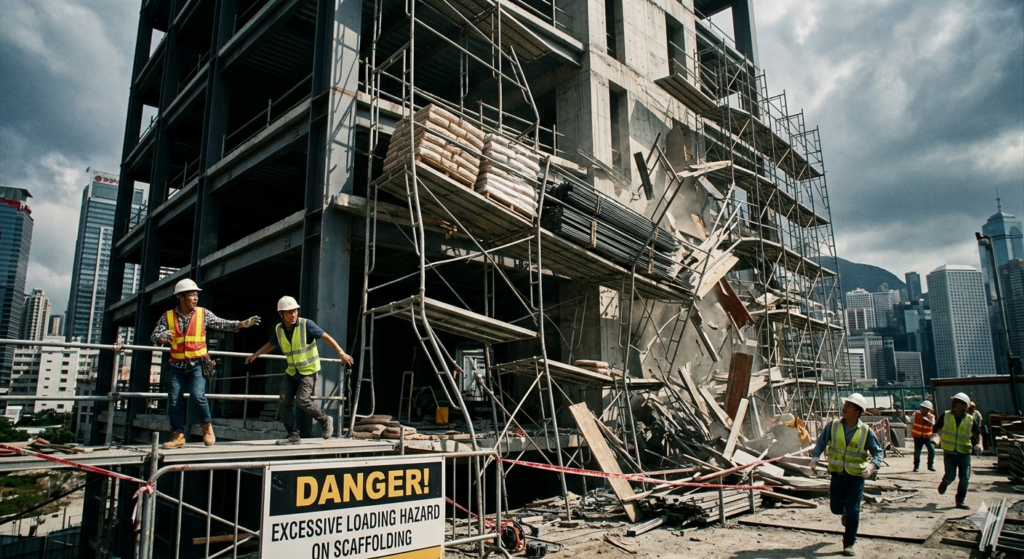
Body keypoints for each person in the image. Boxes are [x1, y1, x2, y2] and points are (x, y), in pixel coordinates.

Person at [152, 279, 260, 449]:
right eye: (191, 295)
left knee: (198, 396)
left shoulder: (203, 314)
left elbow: (221, 323)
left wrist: (242, 324)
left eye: (196, 295)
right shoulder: (167, 317)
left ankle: (207, 427)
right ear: (180, 297)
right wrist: (162, 336)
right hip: (176, 366)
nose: (195, 298)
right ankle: (178, 435)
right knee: (173, 400)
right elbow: (154, 337)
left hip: (197, 364)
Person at [245, 296, 354, 444]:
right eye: (289, 312)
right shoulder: (279, 329)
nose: (293, 315)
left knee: (302, 400)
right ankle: (293, 435)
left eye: (295, 311)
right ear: (281, 314)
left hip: (308, 370)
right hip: (292, 371)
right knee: (283, 401)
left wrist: (341, 353)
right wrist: (256, 354)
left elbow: (326, 337)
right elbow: (271, 344)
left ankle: (325, 420)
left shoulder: (306, 325)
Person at [809, 393, 885, 557]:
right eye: (846, 405)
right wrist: (815, 457)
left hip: (856, 477)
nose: (845, 408)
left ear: (858, 411)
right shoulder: (833, 426)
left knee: (854, 510)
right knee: (836, 507)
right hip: (837, 474)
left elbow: (878, 452)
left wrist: (872, 467)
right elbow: (822, 442)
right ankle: (844, 512)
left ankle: (849, 543)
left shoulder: (866, 431)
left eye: (849, 406)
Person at [936, 392, 981, 509]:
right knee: (951, 476)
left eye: (957, 402)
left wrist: (980, 444)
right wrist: (934, 438)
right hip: (949, 453)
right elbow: (935, 429)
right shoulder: (945, 415)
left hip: (964, 453)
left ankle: (960, 501)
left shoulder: (970, 420)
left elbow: (977, 434)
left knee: (965, 477)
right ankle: (945, 482)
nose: (954, 404)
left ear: (964, 406)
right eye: (953, 401)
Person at [910, 400, 936, 472]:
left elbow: (933, 424)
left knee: (932, 450)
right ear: (920, 408)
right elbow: (910, 420)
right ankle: (916, 466)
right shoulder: (916, 414)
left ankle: (930, 465)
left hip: (927, 436)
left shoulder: (931, 417)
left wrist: (927, 420)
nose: (924, 410)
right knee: (917, 452)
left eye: (926, 409)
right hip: (917, 436)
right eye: (923, 408)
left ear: (929, 410)